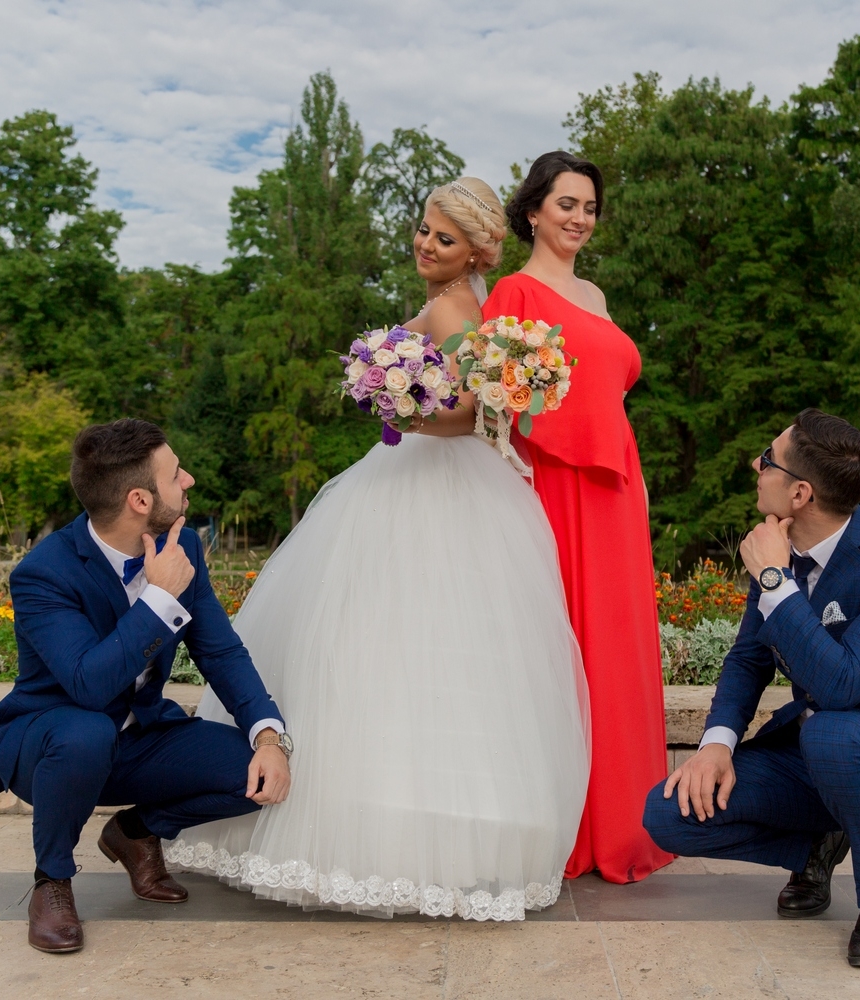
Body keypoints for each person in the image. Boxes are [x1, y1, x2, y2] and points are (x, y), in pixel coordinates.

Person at [164, 177, 591, 921]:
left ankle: (390, 838)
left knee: (397, 645)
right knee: (414, 652)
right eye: (424, 229)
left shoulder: (456, 308)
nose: (426, 244)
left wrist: (405, 408)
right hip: (430, 478)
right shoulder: (464, 303)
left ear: (478, 251)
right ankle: (432, 835)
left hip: (440, 483)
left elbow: (474, 411)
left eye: (444, 238)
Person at [641, 409, 860, 968]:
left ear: (800, 493)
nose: (755, 465)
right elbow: (749, 658)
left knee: (834, 732)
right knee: (668, 815)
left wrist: (775, 581)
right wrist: (716, 745)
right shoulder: (782, 550)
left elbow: (842, 684)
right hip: (810, 757)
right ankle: (819, 841)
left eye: (768, 460)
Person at [0, 419, 292, 953]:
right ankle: (52, 880)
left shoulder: (182, 546)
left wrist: (269, 737)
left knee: (258, 773)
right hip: (51, 743)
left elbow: (220, 652)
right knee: (86, 733)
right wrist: (159, 599)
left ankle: (136, 831)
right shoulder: (44, 573)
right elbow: (89, 685)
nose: (188, 480)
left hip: (141, 735)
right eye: (176, 475)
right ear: (140, 500)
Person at [482, 151, 674, 884]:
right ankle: (561, 827)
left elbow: (610, 401)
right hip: (554, 489)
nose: (580, 218)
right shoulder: (514, 291)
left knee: (616, 650)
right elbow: (496, 408)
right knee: (560, 652)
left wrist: (640, 484)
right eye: (567, 204)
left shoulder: (595, 294)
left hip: (616, 493)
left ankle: (622, 823)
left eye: (590, 207)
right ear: (533, 211)